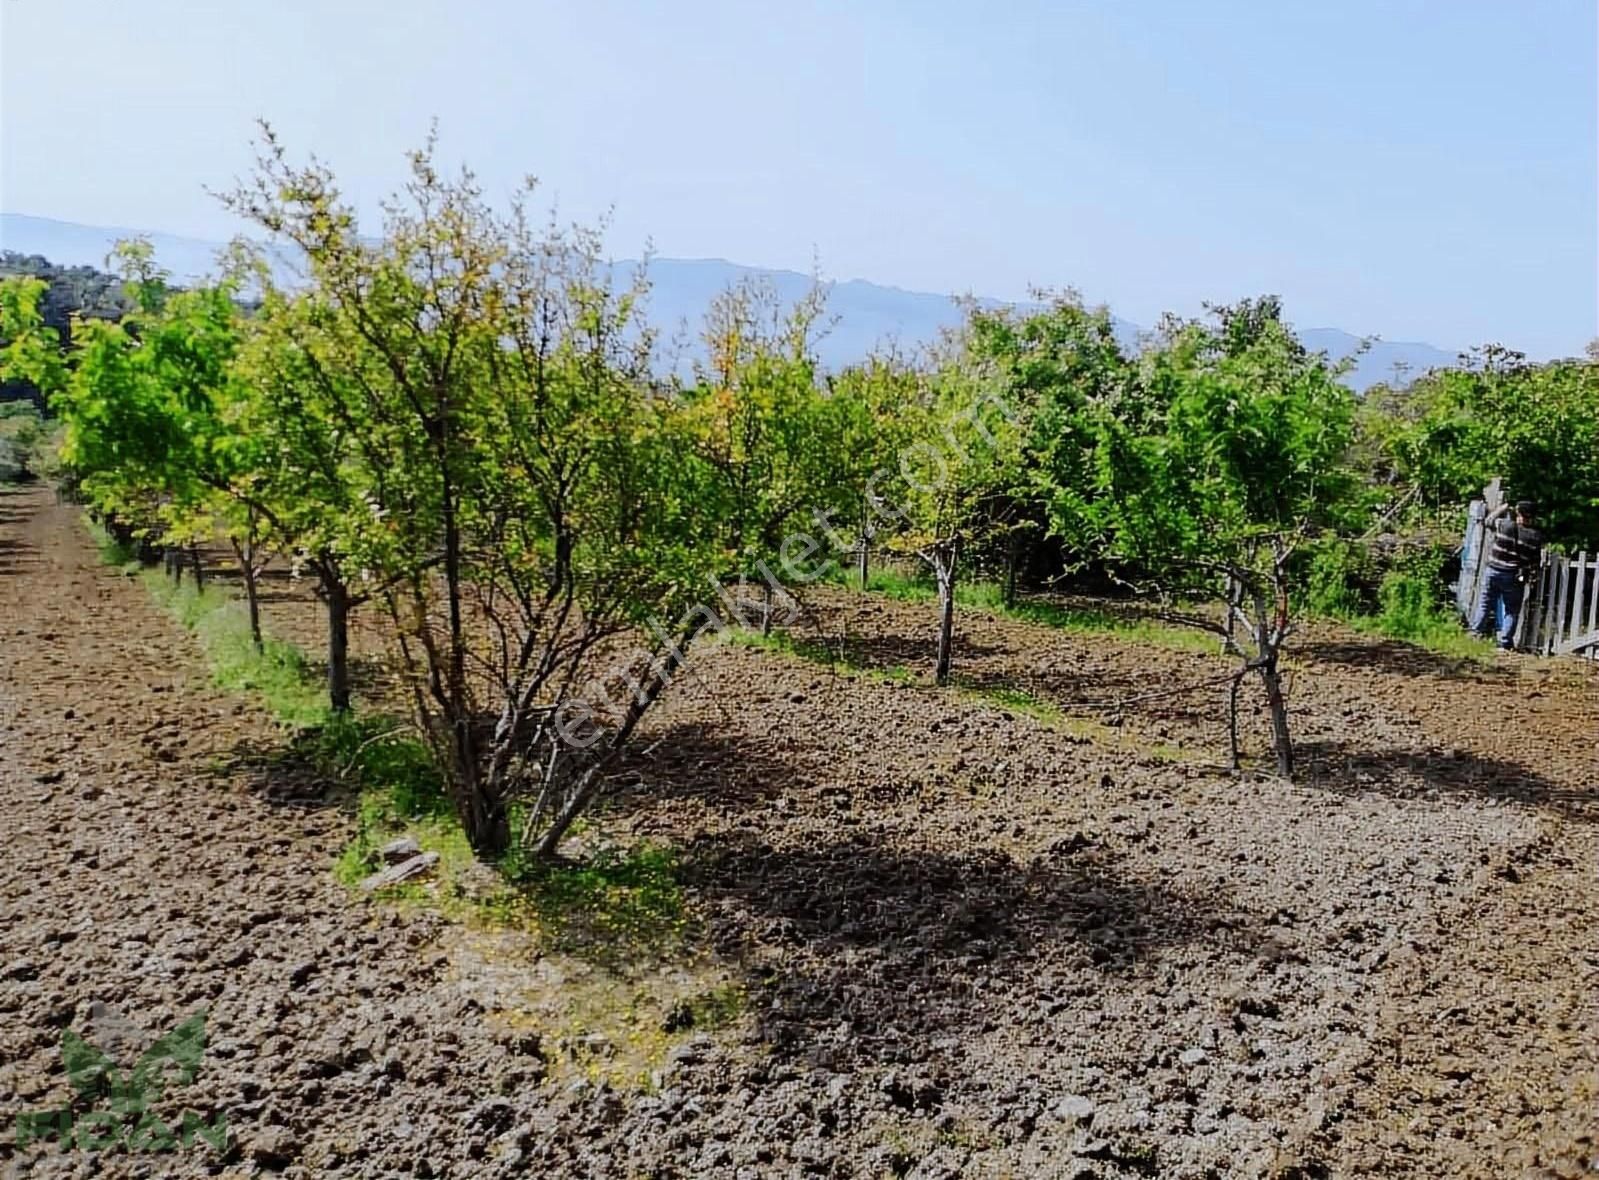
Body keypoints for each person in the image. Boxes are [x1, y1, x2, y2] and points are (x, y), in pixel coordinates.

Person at [1474, 499, 1543, 649]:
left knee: (1485, 603)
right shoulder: (1535, 537)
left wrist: (1503, 507)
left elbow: (1488, 521)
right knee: (1511, 610)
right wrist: (1531, 578)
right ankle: (1505, 642)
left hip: (1493, 570)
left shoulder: (1505, 525)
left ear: (1518, 512)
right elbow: (1534, 562)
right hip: (1513, 575)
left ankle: (1476, 633)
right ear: (1533, 517)